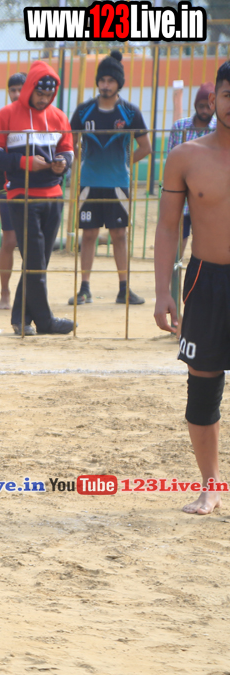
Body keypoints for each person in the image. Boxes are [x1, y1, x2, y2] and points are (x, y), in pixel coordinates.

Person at [152, 61, 230, 515]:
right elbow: (167, 228)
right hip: (206, 281)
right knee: (202, 390)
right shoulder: (185, 157)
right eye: (228, 94)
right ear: (214, 98)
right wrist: (163, 290)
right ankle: (211, 486)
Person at [0, 60, 75, 335]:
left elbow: (68, 149)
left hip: (54, 196)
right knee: (35, 261)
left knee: (38, 261)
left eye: (49, 95)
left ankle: (20, 319)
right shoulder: (5, 115)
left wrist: (63, 163)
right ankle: (45, 321)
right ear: (29, 89)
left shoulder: (59, 117)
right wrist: (24, 163)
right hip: (21, 196)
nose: (44, 99)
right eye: (40, 94)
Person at [69, 51, 150, 306]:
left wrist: (124, 163)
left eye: (110, 81)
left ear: (119, 83)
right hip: (89, 183)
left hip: (118, 184)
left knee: (119, 235)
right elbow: (70, 144)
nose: (105, 85)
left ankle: (124, 289)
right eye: (102, 80)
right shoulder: (83, 111)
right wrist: (84, 161)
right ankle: (84, 289)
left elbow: (146, 148)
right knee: (88, 235)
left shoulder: (130, 113)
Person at [0, 72, 27, 310]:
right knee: (9, 240)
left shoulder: (38, 117)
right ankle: (5, 293)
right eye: (13, 89)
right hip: (8, 188)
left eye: (20, 89)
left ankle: (29, 294)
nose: (16, 94)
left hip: (37, 189)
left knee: (32, 244)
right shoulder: (0, 117)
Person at [165, 81, 215, 261]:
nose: (204, 111)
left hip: (210, 200)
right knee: (176, 245)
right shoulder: (180, 127)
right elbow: (170, 162)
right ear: (195, 105)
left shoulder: (221, 129)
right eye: (201, 106)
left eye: (208, 106)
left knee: (206, 248)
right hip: (182, 197)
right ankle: (174, 276)